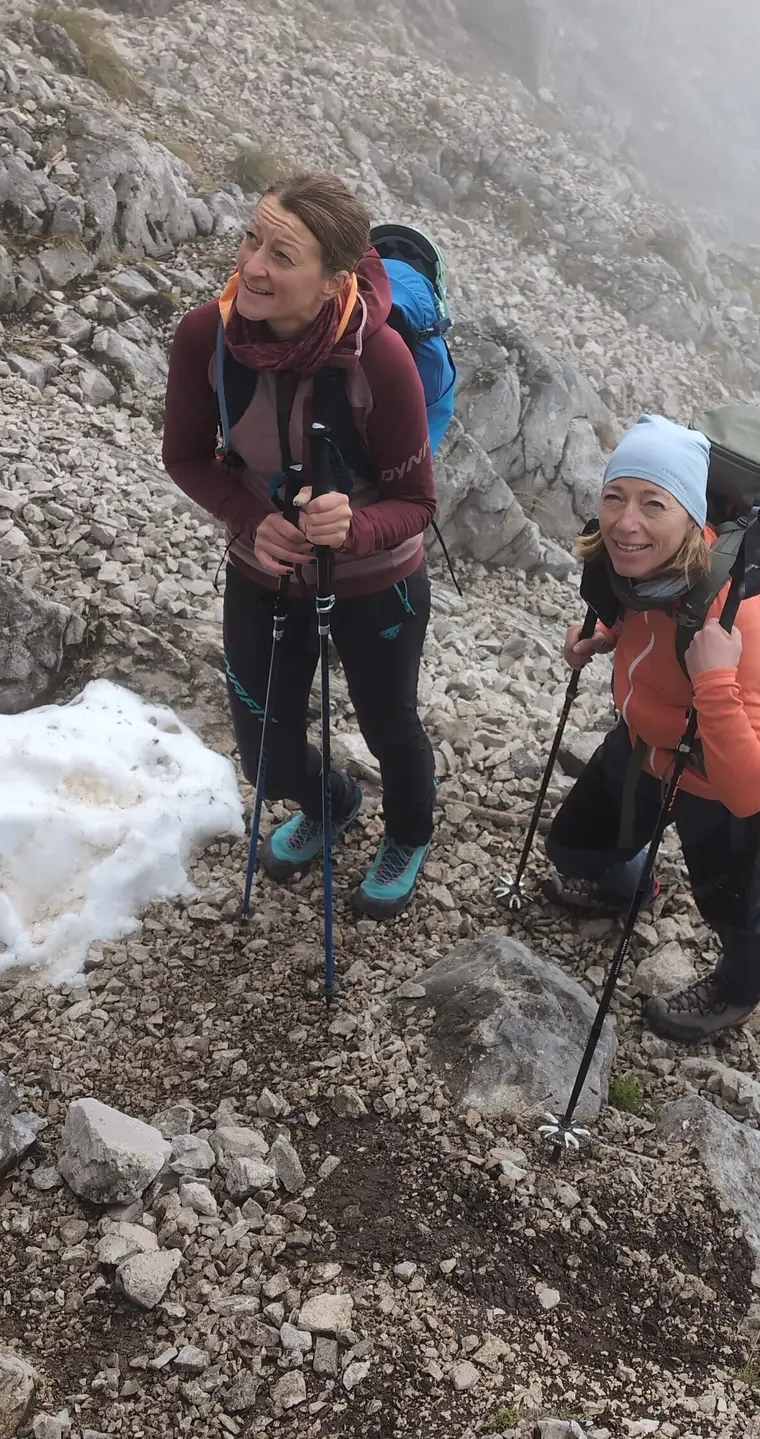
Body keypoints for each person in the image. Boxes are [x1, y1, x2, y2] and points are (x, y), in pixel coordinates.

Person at [162, 173, 439, 919]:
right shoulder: (206, 336)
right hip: (264, 574)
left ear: (332, 282)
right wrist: (254, 521)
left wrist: (355, 526)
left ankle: (409, 833)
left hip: (377, 582)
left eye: (282, 255)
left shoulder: (379, 360)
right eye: (253, 238)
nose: (253, 265)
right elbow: (186, 457)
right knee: (263, 753)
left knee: (391, 726)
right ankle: (333, 800)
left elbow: (417, 502)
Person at [547, 416, 760, 1044]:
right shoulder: (630, 565)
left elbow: (753, 788)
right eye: (614, 497)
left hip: (716, 783)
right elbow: (646, 630)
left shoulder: (736, 603)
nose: (626, 523)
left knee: (736, 912)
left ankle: (741, 990)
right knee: (572, 848)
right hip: (644, 750)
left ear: (690, 513)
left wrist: (714, 680)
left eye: (653, 503)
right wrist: (602, 639)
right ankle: (637, 888)